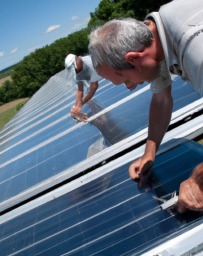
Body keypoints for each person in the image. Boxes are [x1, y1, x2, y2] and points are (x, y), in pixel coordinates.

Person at [88, 0, 203, 213]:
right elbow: (161, 100)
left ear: (133, 58)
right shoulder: (156, 36)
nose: (130, 87)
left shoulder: (197, 50)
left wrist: (199, 181)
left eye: (125, 80)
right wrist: (149, 153)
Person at [64, 54, 102, 122]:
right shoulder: (77, 71)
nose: (75, 71)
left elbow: (94, 87)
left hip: (110, 80)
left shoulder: (89, 63)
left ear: (77, 60)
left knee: (103, 118)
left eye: (75, 68)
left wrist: (81, 104)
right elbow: (80, 90)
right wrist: (76, 108)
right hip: (91, 94)